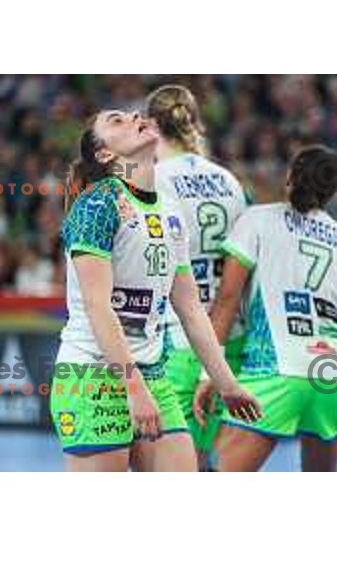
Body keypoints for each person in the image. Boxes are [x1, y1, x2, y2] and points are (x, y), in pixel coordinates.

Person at [50, 110, 261, 472]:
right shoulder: (97, 204)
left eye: (132, 114)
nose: (133, 116)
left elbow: (191, 308)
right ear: (104, 155)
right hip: (92, 376)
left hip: (152, 374)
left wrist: (225, 382)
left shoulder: (170, 209)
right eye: (116, 121)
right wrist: (133, 391)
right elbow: (99, 307)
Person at [197, 145, 337, 472]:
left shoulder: (257, 220)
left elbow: (227, 299)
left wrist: (210, 375)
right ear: (333, 190)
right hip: (334, 375)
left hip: (275, 369)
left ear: (290, 176)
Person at [147, 85, 249, 469]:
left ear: (153, 126)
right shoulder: (230, 182)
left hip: (174, 338)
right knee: (210, 461)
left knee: (168, 462)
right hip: (228, 340)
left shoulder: (153, 179)